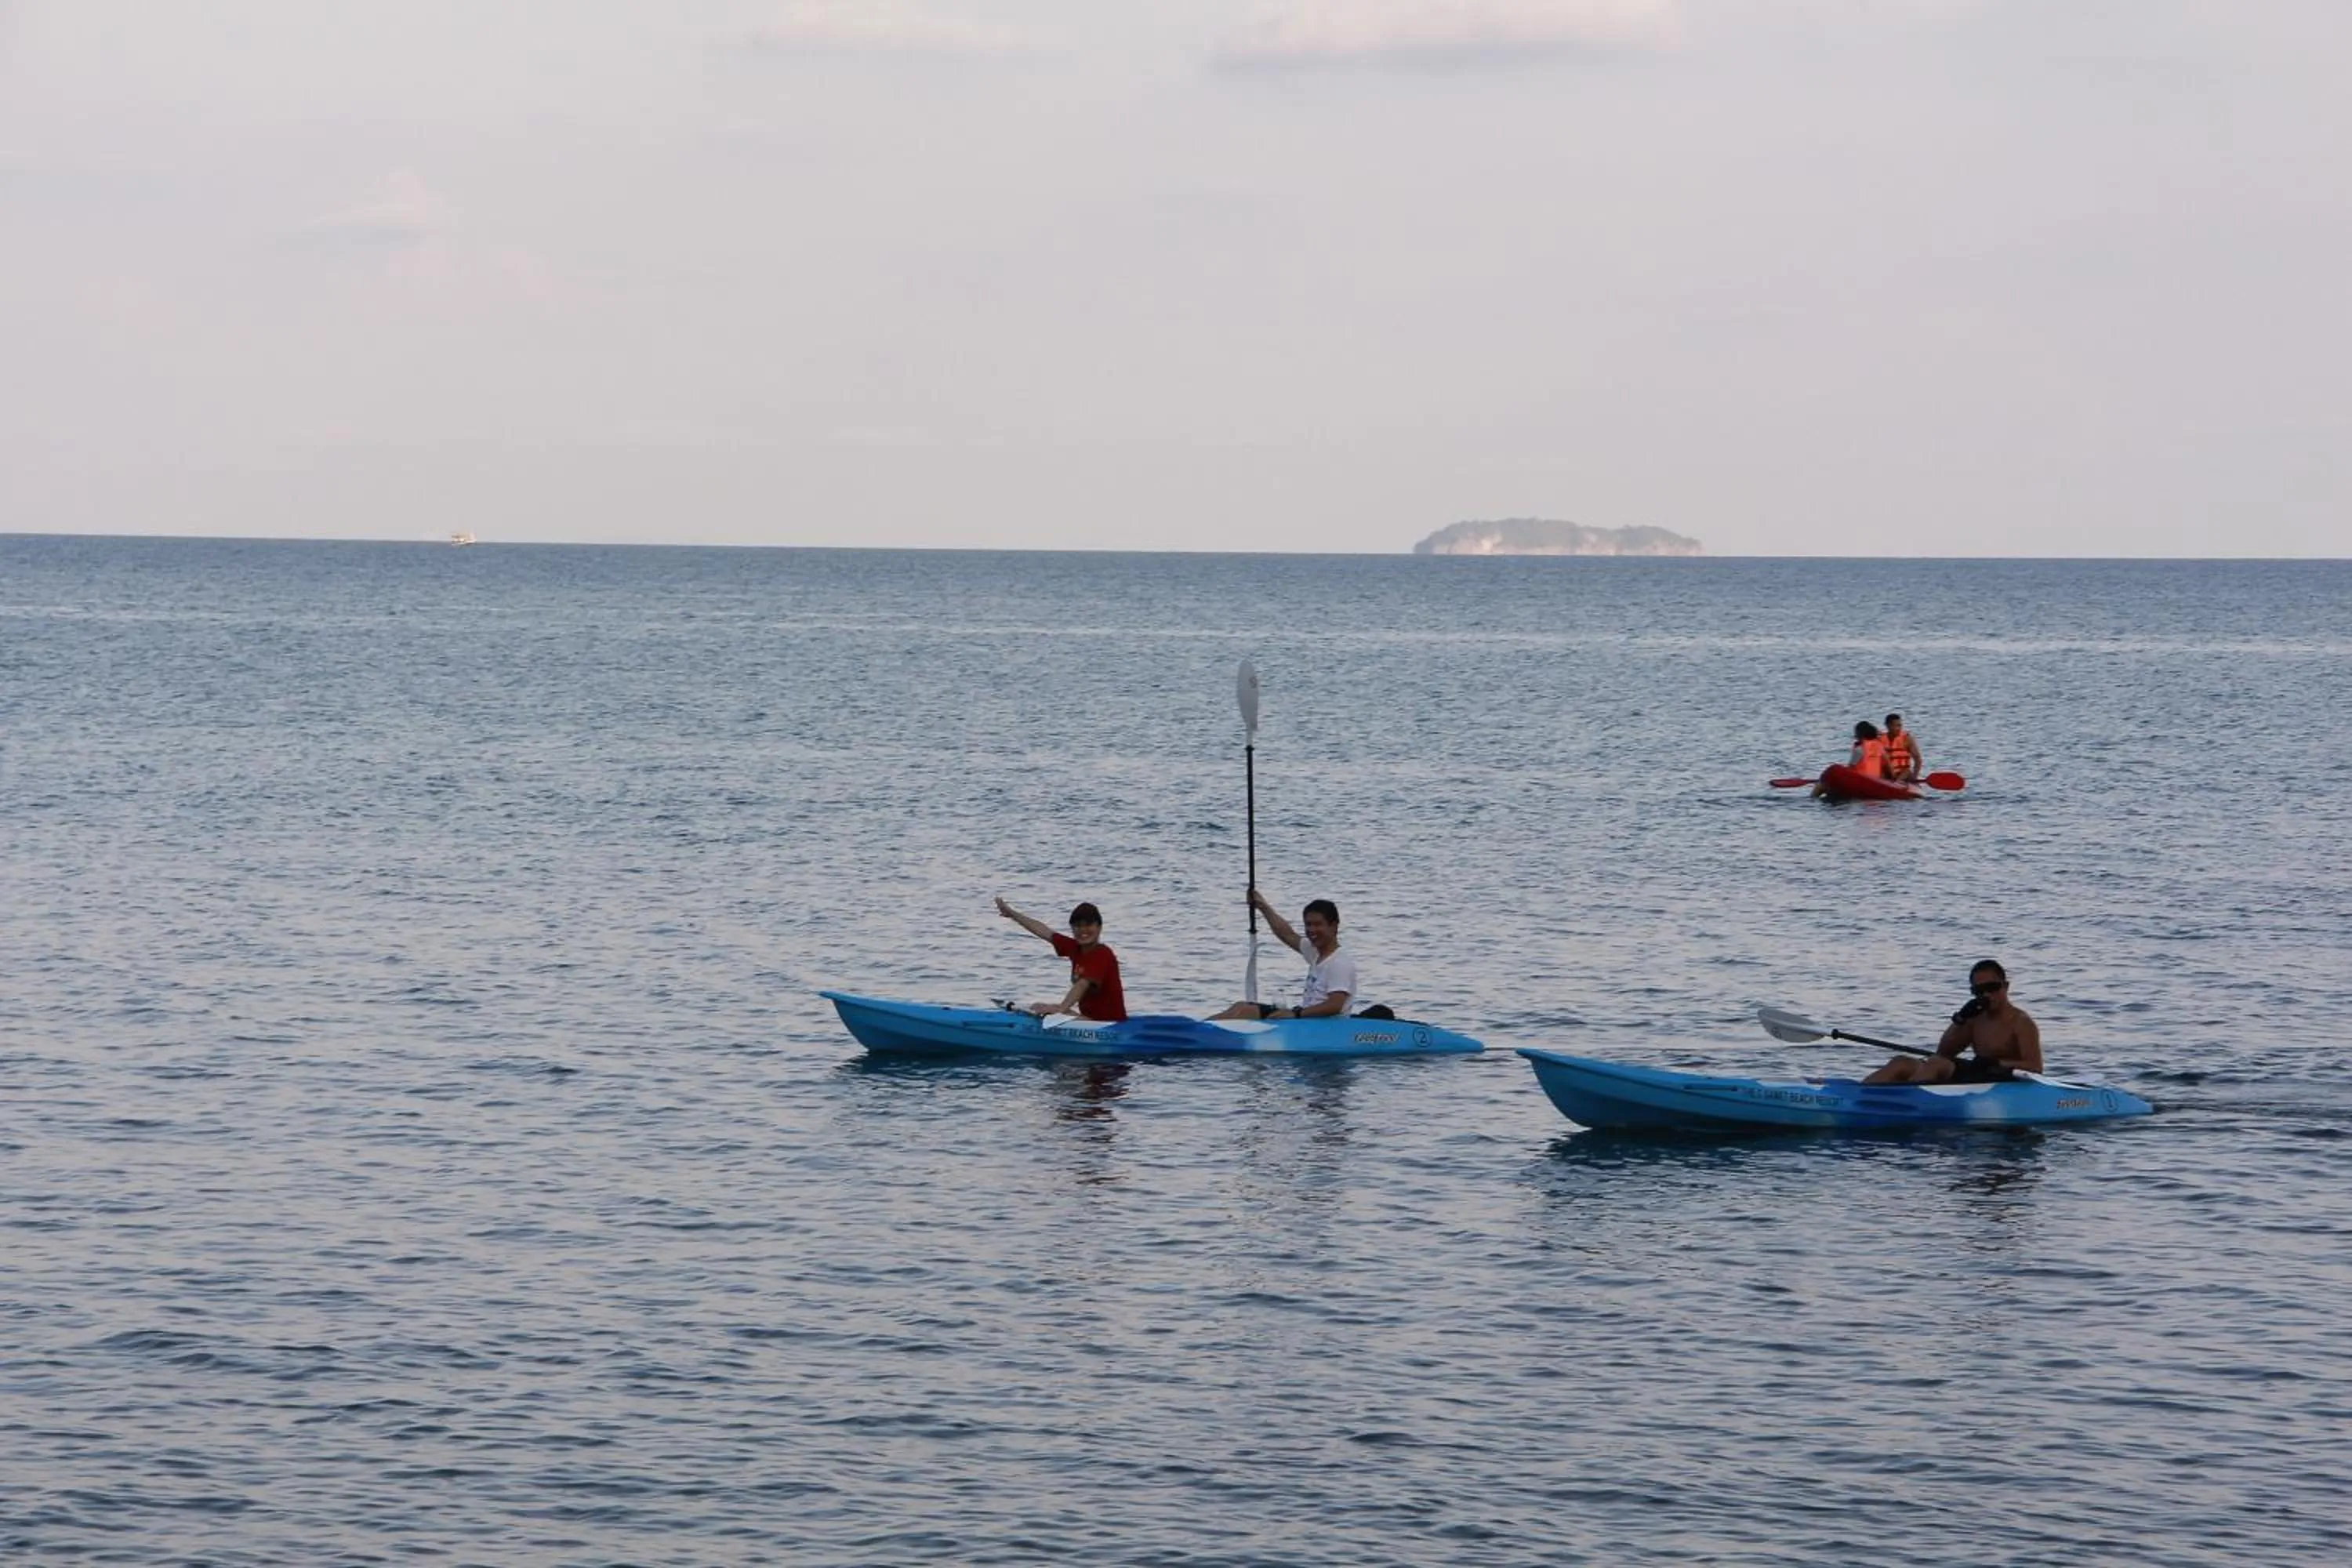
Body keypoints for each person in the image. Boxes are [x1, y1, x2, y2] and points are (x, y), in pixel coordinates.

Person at [1864, 960, 2043, 1084]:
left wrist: (1997, 1064)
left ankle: (1909, 1102)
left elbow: (2035, 1067)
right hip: (1974, 1076)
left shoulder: (2021, 1022)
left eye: (1992, 988)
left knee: (1936, 1065)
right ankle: (1857, 1094)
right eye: (1979, 991)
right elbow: (1944, 1052)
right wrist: (1960, 1019)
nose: (1986, 995)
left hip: (2000, 1081)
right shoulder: (1975, 1018)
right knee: (1901, 1062)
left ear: (2005, 986)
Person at [1211, 889, 1358, 1021]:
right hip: (1307, 1019)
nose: (1312, 930)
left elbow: (1335, 1005)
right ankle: (1197, 1028)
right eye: (1308, 924)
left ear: (1333, 926)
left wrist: (1297, 1014)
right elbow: (1286, 934)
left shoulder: (1339, 962)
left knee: (1246, 1012)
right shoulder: (1314, 952)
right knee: (1240, 1007)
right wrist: (1263, 907)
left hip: (1325, 1026)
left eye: (1318, 924)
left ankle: (1200, 1033)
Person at [994, 897, 1128, 1022]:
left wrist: (1061, 1009)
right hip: (1089, 1020)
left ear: (1099, 927)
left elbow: (1082, 984)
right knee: (1037, 1007)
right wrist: (1012, 914)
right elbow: (1044, 931)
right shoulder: (1075, 948)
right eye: (1078, 926)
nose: (1083, 930)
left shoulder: (1102, 954)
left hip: (1109, 1026)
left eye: (1088, 925)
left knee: (1052, 1012)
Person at [1814, 720, 1886, 795]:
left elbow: (1851, 768)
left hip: (1861, 783)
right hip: (1875, 782)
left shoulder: (1859, 749)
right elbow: (1887, 766)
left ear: (1860, 735)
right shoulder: (1879, 747)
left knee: (1823, 784)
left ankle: (1812, 799)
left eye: (1856, 733)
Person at [1882, 713, 1923, 783]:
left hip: (1904, 774)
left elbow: (1918, 759)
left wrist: (1914, 776)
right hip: (1888, 773)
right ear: (1888, 726)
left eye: (1900, 726)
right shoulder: (1880, 739)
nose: (1899, 729)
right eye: (1896, 726)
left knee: (1906, 771)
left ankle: (1897, 783)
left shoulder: (1907, 739)